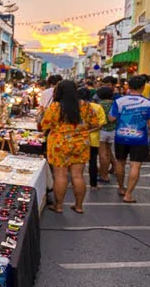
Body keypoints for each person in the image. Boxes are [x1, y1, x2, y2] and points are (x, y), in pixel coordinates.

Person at [40, 80, 103, 213]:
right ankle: (79, 206)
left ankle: (58, 206)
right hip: (80, 143)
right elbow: (96, 123)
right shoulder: (85, 105)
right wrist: (82, 130)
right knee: (78, 175)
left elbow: (45, 125)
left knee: (60, 175)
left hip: (59, 143)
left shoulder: (55, 107)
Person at [110, 75, 150, 203]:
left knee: (120, 162)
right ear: (143, 87)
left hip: (121, 136)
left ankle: (121, 188)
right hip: (139, 138)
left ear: (129, 87)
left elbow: (111, 118)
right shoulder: (149, 103)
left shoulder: (119, 101)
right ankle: (128, 194)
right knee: (135, 165)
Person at [79, 87, 107, 189]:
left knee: (77, 163)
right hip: (93, 139)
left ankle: (76, 182)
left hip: (78, 138)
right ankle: (93, 184)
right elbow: (101, 124)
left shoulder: (76, 106)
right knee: (93, 161)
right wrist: (89, 131)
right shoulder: (97, 107)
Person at [95, 86, 117, 185]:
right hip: (112, 130)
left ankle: (104, 175)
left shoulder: (100, 105)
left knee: (102, 154)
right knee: (108, 152)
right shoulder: (115, 104)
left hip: (102, 130)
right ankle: (110, 169)